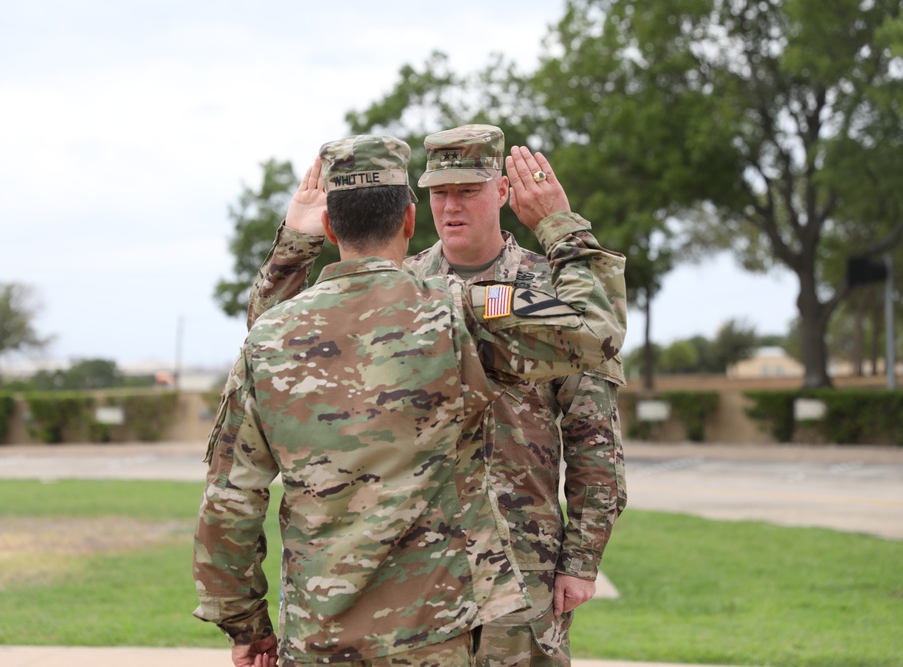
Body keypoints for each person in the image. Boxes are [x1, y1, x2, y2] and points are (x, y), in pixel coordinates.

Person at [193, 134, 626, 667]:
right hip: (437, 601)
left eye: (468, 190)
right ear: (410, 215)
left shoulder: (525, 290)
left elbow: (593, 431)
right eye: (439, 192)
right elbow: (285, 341)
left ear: (503, 192)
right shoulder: (440, 299)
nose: (452, 205)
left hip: (515, 567)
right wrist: (563, 225)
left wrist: (581, 557)